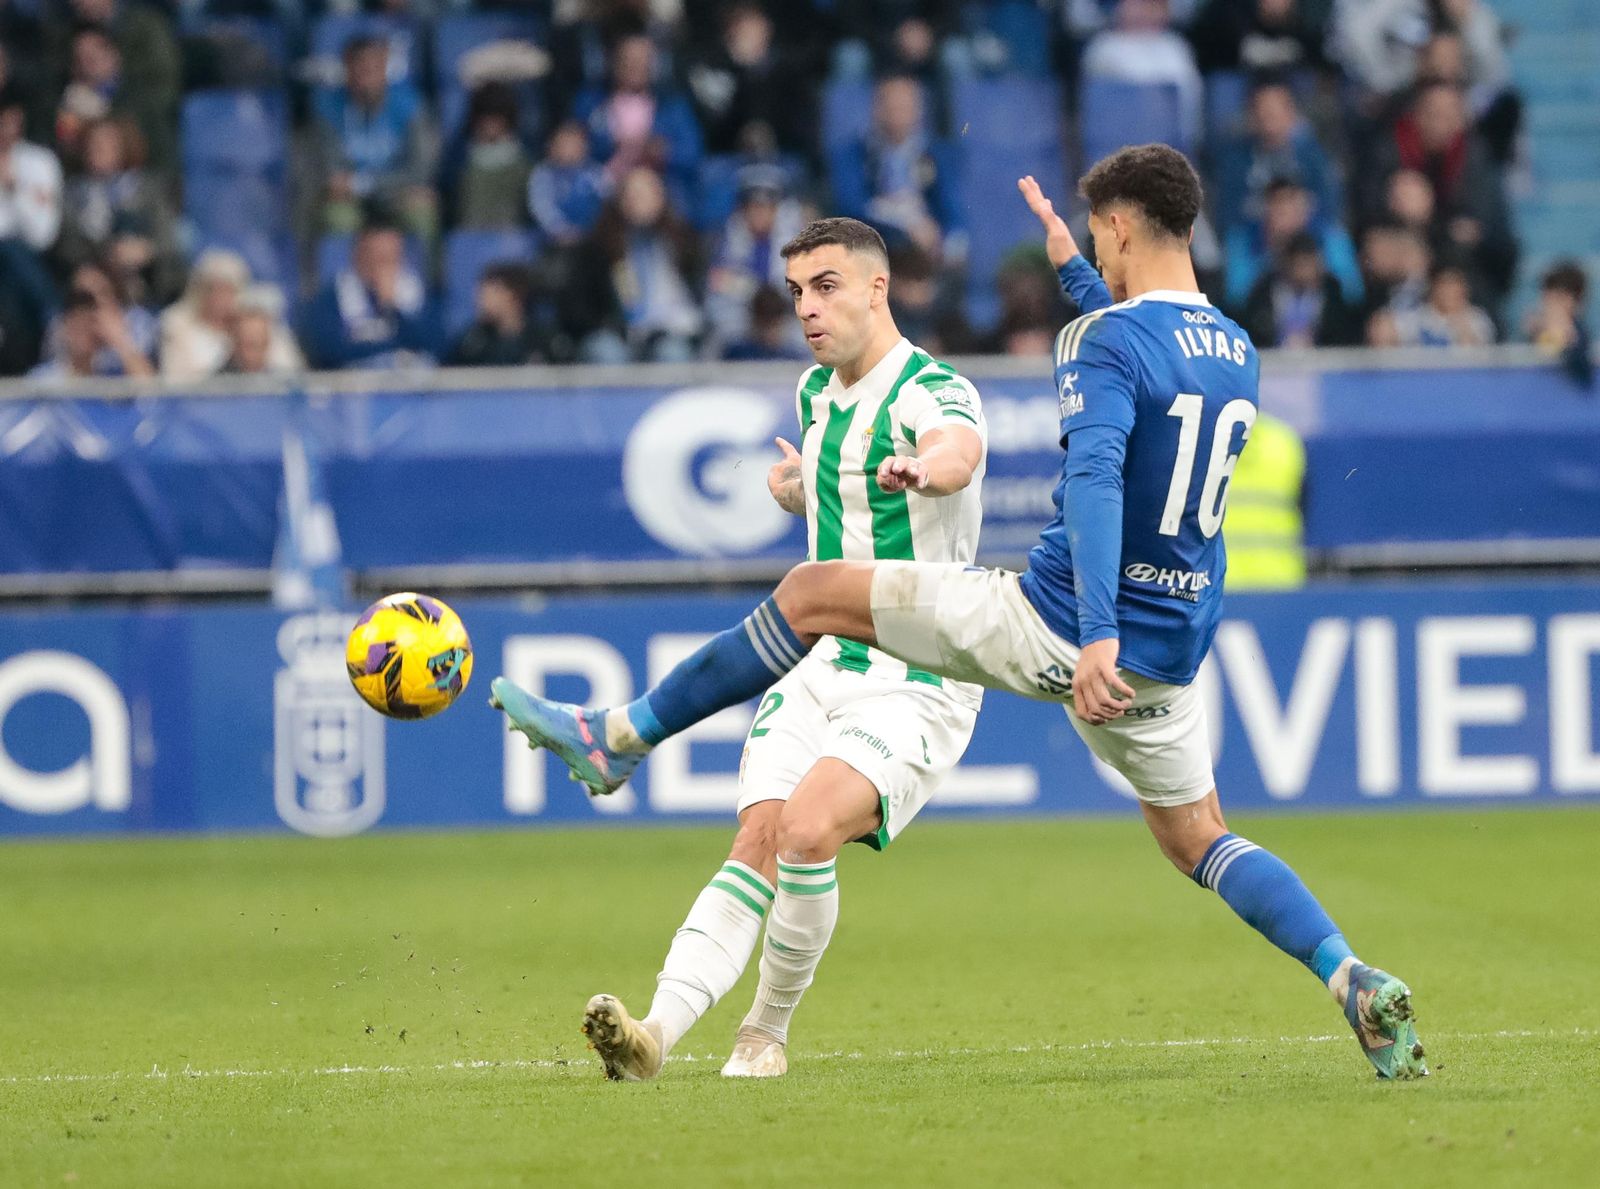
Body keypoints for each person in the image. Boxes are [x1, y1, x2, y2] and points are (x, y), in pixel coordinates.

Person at [491, 145, 1428, 1084]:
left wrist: (1095, 630)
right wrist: (1073, 269)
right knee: (1200, 837)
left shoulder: (1088, 343)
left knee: (811, 592)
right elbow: (1147, 349)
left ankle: (622, 734)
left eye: (1096, 236)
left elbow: (1096, 478)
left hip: (1065, 623)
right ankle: (1346, 972)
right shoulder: (1233, 346)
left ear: (1119, 228)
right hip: (1172, 648)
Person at [503, 216, 988, 1081]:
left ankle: (765, 1031)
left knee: (807, 829)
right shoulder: (815, 394)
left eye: (826, 286)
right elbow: (845, 501)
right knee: (759, 836)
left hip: (917, 678)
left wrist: (929, 468)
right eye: (796, 291)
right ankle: (653, 1034)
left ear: (878, 287)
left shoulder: (930, 389)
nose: (806, 308)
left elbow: (959, 448)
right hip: (820, 664)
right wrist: (798, 489)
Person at [297, 220, 438, 370]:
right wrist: (395, 347)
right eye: (378, 258)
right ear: (359, 257)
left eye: (391, 259)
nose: (384, 267)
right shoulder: (331, 297)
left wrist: (392, 306)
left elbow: (432, 344)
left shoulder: (416, 292)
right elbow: (330, 352)